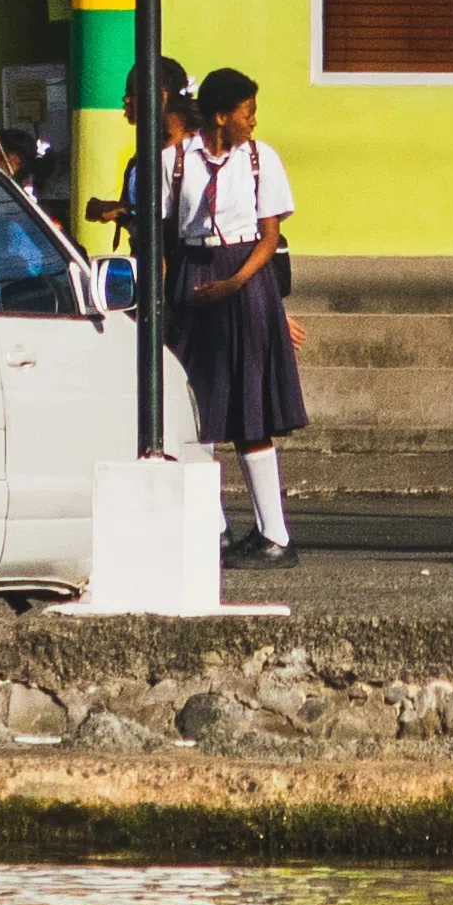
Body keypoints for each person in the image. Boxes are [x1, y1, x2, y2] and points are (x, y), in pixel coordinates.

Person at [161, 66, 311, 568]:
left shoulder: (260, 159)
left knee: (250, 410)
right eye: (246, 112)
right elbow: (163, 235)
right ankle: (216, 527)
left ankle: (275, 535)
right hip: (193, 273)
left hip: (244, 276)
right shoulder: (175, 161)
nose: (253, 121)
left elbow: (269, 237)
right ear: (222, 115)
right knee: (193, 410)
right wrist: (169, 293)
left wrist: (236, 284)